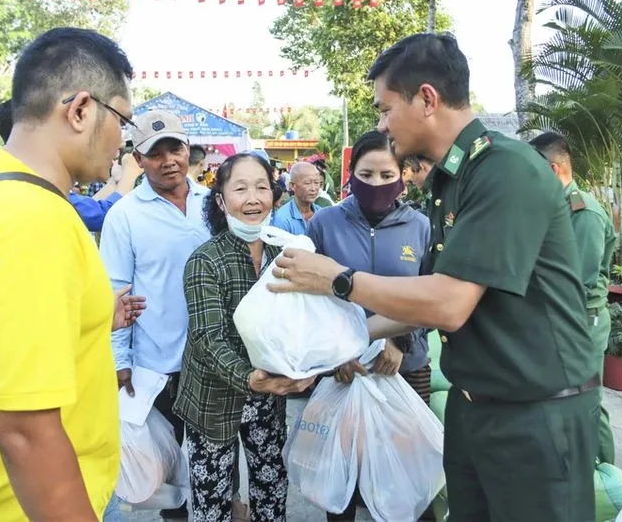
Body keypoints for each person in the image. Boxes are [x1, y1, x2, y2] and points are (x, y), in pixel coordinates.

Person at [267, 33, 599, 522]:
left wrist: (337, 279)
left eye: (384, 109)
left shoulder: (505, 170)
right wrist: (325, 349)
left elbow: (447, 303)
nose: (381, 125)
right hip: (476, 408)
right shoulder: (452, 180)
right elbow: (417, 303)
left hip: (534, 413)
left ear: (426, 98)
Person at [0, 27, 146, 521]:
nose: (123, 145)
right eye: (123, 120)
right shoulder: (32, 219)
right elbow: (23, 430)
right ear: (81, 110)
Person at [173, 153, 314, 522]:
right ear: (221, 200)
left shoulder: (285, 256)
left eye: (261, 187)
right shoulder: (205, 260)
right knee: (211, 501)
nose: (253, 198)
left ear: (274, 194)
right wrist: (250, 378)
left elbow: (298, 320)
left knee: (271, 490)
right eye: (240, 188)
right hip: (213, 401)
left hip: (268, 400)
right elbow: (207, 338)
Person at [306, 130, 432, 521]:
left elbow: (434, 296)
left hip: (405, 371)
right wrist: (334, 356)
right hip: (344, 372)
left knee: (404, 476)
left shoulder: (423, 227)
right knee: (342, 479)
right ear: (350, 174)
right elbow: (308, 302)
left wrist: (402, 341)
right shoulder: (324, 224)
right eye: (366, 175)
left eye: (385, 174)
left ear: (403, 175)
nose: (376, 184)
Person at [100, 110, 210, 519]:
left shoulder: (213, 204)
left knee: (214, 460)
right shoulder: (124, 215)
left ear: (188, 151)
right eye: (155, 152)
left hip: (213, 360)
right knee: (167, 466)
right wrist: (121, 360)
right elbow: (117, 294)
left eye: (175, 149)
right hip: (156, 366)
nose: (168, 161)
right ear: (139, 159)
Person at [531, 131, 617, 464]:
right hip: (561, 316)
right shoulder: (556, 208)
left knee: (587, 401)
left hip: (582, 320)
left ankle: (606, 473)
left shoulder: (584, 214)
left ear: (552, 171)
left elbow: (575, 282)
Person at [0, 99, 142, 232]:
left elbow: (87, 207)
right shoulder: (37, 187)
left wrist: (113, 182)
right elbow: (107, 215)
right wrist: (130, 173)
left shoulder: (14, 178)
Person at [272, 161, 321, 235]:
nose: (313, 188)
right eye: (307, 183)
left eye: (317, 183)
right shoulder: (282, 219)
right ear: (292, 186)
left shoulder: (321, 213)